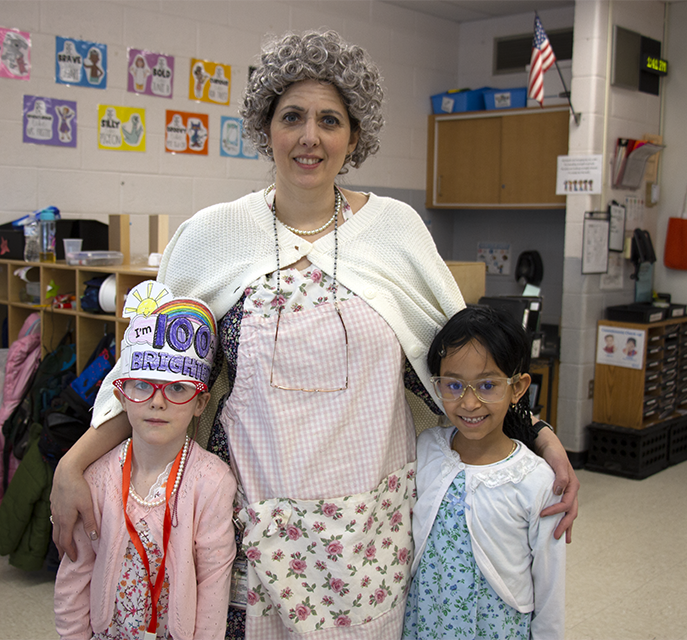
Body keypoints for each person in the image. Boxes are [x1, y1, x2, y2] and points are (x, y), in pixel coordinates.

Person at [51, 30, 578, 639]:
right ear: (265, 127)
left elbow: (467, 366)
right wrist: (73, 463)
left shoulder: (394, 230)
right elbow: (152, 380)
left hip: (371, 533)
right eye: (292, 116)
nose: (310, 136)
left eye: (330, 120)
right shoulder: (211, 235)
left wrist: (536, 435)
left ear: (354, 136)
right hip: (251, 530)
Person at [54, 283, 236, 640]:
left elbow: (214, 584)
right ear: (121, 395)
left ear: (200, 403)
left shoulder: (212, 482)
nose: (158, 402)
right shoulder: (96, 479)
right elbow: (74, 579)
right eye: (143, 385)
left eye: (178, 388)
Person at [404, 306, 565, 639]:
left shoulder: (536, 480)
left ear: (518, 388)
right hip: (426, 621)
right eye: (453, 385)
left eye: (488, 385)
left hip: (497, 627)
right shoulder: (427, 449)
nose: (469, 403)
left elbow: (551, 583)